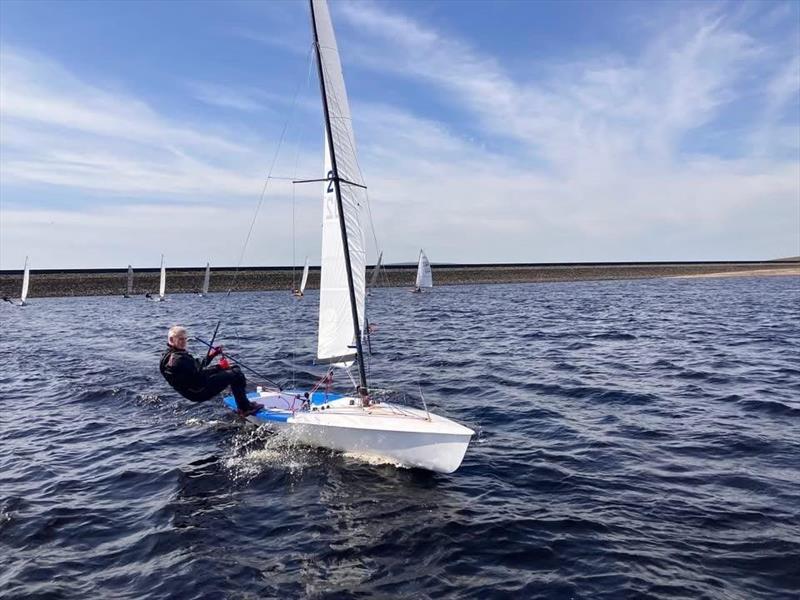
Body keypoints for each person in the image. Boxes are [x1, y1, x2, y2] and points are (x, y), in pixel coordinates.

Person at [159, 325, 263, 416]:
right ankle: (245, 408)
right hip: (198, 392)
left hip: (192, 389)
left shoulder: (168, 356)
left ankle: (243, 404)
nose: (184, 342)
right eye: (181, 339)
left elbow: (197, 367)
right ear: (171, 339)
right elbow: (199, 376)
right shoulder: (178, 359)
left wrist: (212, 355)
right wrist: (219, 368)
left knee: (233, 368)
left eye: (185, 339)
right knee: (236, 374)